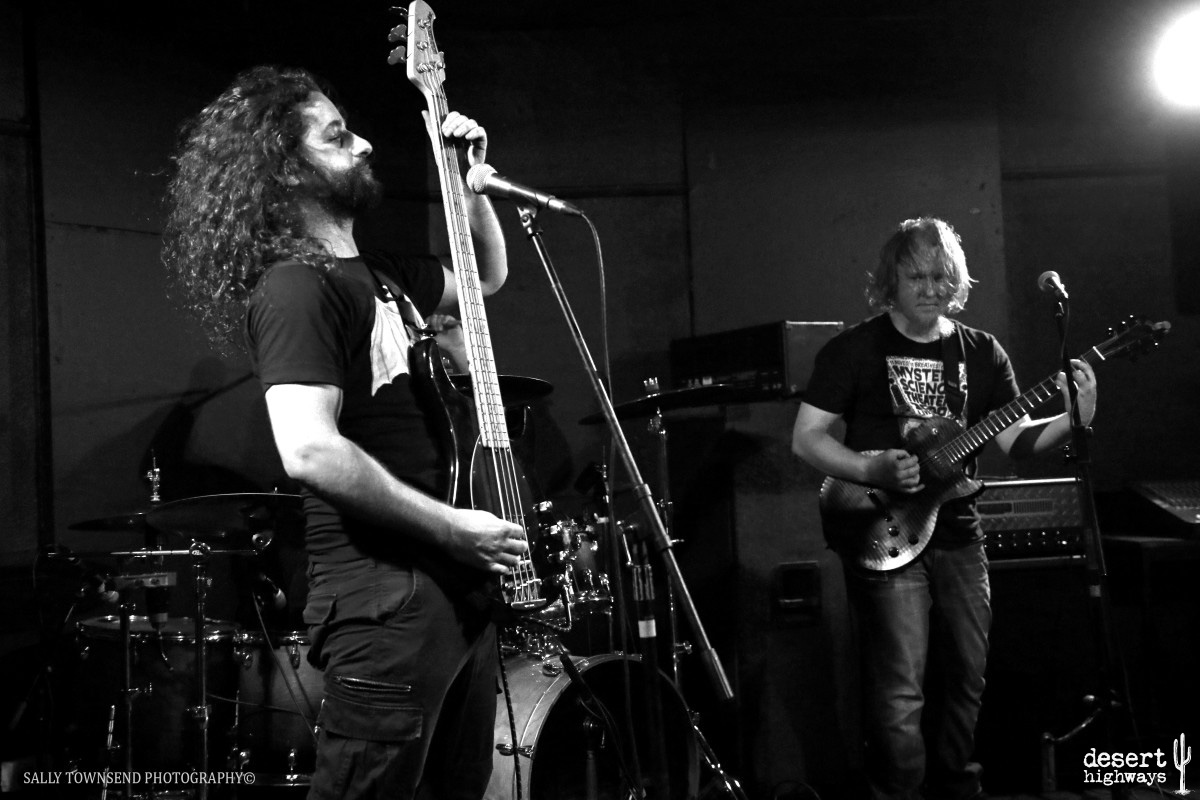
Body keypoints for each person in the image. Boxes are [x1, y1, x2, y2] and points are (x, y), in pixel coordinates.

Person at [161, 65, 528, 800]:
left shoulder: (380, 273)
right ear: (286, 170)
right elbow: (308, 448)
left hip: (455, 589)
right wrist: (452, 528)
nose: (362, 144)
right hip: (386, 598)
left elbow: (483, 281)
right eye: (336, 137)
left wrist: (468, 189)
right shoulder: (296, 287)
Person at [790, 217, 1097, 800]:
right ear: (891, 280)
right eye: (917, 277)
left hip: (959, 530)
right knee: (900, 691)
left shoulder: (981, 352)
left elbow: (1016, 442)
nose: (930, 289)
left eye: (940, 277)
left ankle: (957, 786)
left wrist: (1075, 416)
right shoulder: (854, 349)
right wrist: (871, 470)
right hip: (882, 524)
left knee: (966, 677)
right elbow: (806, 439)